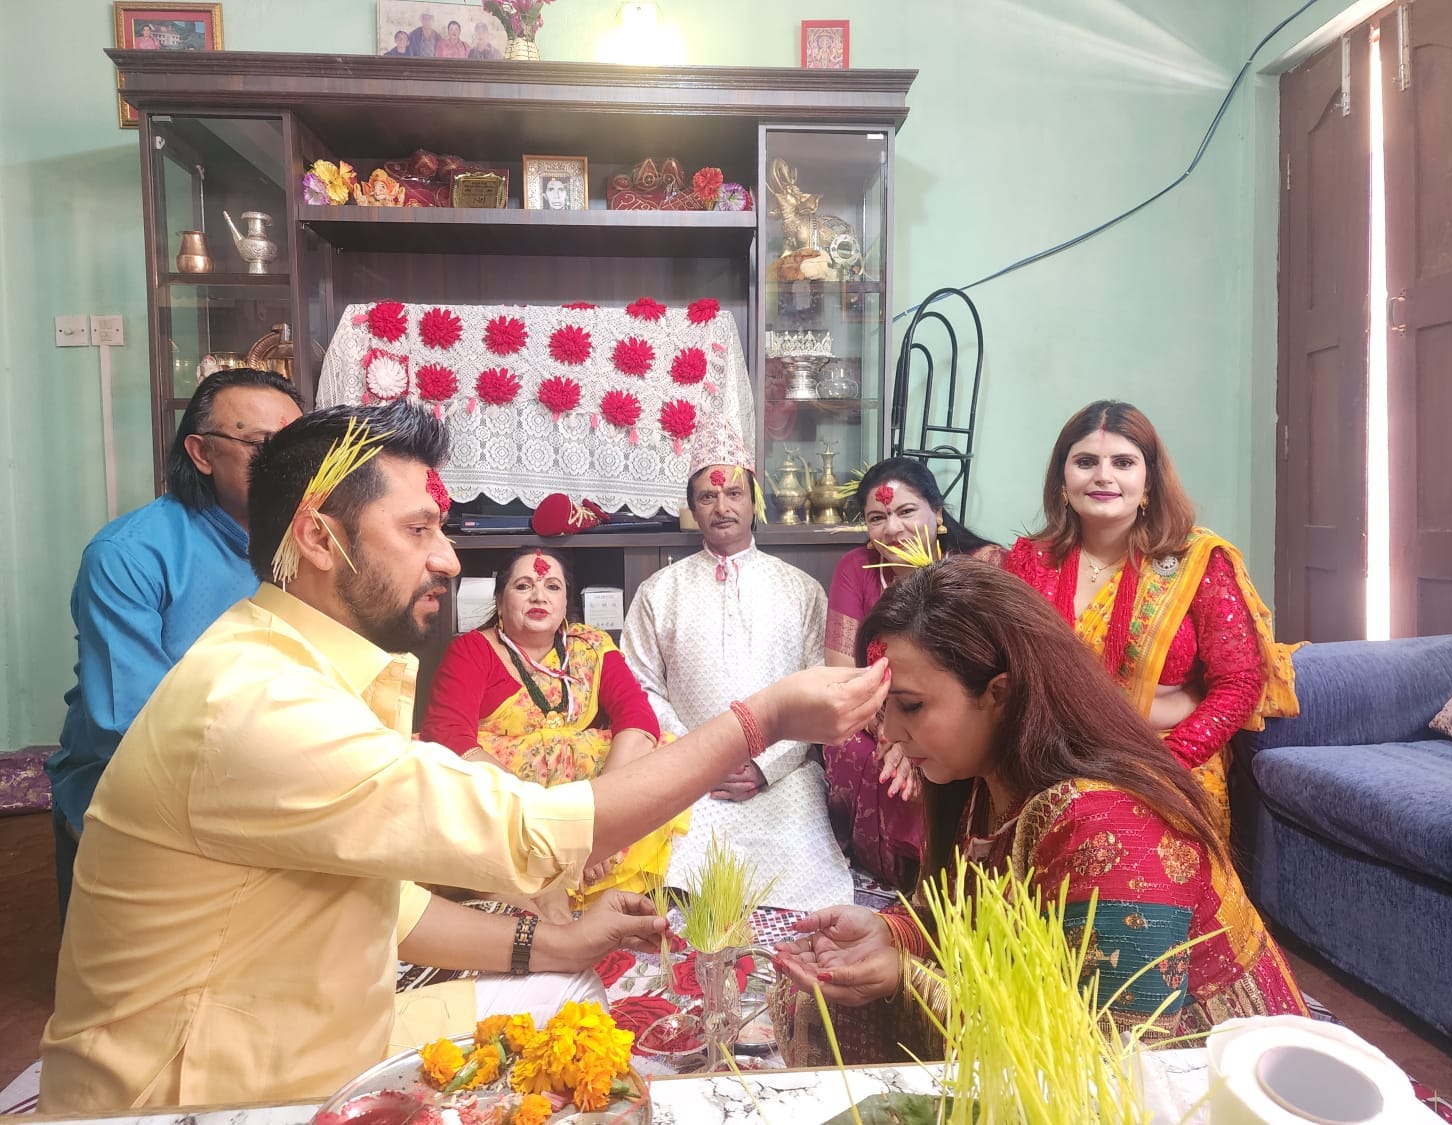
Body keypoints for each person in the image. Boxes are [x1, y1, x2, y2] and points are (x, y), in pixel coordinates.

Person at [40, 403, 886, 1113]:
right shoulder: (260, 702)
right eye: (419, 528)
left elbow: (393, 906)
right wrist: (763, 716)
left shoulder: (300, 665)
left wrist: (561, 943)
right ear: (320, 538)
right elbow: (531, 829)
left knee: (594, 1008)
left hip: (310, 1026)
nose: (448, 556)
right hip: (196, 1090)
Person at [773, 558, 1309, 1065]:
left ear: (999, 694)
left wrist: (908, 978)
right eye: (884, 708)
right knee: (822, 996)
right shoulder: (978, 782)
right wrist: (892, 933)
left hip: (1192, 1083)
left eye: (910, 705)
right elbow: (954, 921)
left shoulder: (1111, 827)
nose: (890, 731)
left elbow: (1108, 1060)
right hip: (1056, 1051)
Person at [46, 368, 302, 916]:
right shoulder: (129, 554)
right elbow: (131, 725)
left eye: (296, 448)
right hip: (134, 788)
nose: (287, 466)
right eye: (262, 446)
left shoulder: (309, 545)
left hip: (272, 778)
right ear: (202, 453)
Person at [1002, 401, 1298, 837]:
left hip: (1168, 760)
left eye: (1123, 463)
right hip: (1053, 758)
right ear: (1062, 479)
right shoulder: (1031, 561)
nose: (1103, 476)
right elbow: (999, 667)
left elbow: (1239, 682)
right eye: (1086, 462)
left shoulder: (1196, 562)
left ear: (1149, 481)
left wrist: (1170, 761)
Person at [621, 416, 853, 911]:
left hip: (782, 773)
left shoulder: (800, 589)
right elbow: (638, 686)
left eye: (733, 494)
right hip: (689, 775)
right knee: (679, 886)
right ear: (693, 510)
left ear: (753, 503)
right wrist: (698, 759)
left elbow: (820, 688)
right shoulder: (659, 591)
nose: (722, 507)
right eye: (707, 497)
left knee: (803, 882)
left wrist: (765, 766)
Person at [422, 547, 687, 899]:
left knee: (661, 754)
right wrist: (545, 819)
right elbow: (447, 736)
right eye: (523, 586)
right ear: (500, 601)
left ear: (565, 603)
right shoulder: (473, 649)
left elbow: (638, 719)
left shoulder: (592, 646)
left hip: (592, 802)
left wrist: (598, 823)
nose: (538, 596)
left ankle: (603, 890)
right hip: (510, 807)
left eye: (552, 587)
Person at [821, 456, 1004, 890]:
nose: (893, 528)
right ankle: (890, 873)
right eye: (877, 518)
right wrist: (892, 733)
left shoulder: (980, 565)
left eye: (906, 511)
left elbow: (991, 670)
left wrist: (917, 731)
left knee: (941, 747)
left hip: (960, 712)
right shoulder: (856, 568)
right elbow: (842, 674)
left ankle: (940, 879)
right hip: (877, 712)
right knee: (845, 745)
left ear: (937, 514)